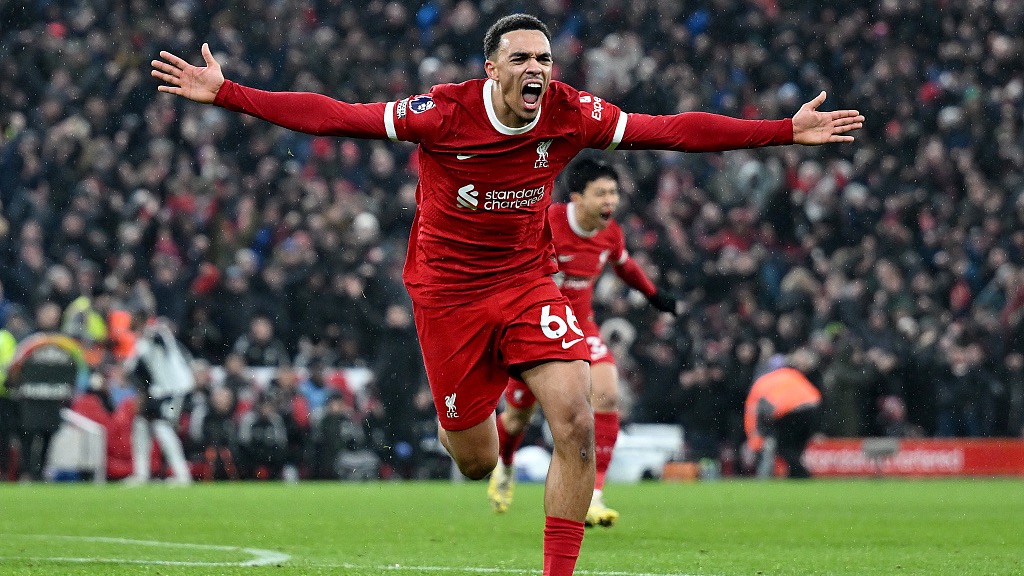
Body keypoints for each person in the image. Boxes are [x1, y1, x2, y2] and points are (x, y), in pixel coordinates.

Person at [152, 13, 862, 574]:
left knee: (577, 417)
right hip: (447, 297)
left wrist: (782, 131)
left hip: (526, 283)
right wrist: (229, 93)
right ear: (490, 69)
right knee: (477, 460)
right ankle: (467, 418)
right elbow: (336, 115)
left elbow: (672, 130)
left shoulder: (570, 113)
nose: (536, 70)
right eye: (521, 59)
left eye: (544, 59)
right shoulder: (442, 113)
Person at [487, 158, 680, 527]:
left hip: (581, 328)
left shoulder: (611, 234)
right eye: (601, 193)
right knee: (515, 419)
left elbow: (624, 265)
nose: (611, 200)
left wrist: (655, 296)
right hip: (535, 327)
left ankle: (594, 495)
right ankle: (506, 466)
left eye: (614, 192)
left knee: (607, 394)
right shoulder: (547, 223)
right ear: (576, 197)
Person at [123, 313, 195, 485]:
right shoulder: (141, 345)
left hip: (176, 390)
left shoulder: (158, 333)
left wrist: (148, 329)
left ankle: (182, 475)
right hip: (158, 393)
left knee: (163, 426)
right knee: (140, 425)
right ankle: (141, 474)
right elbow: (131, 371)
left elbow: (161, 338)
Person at [744, 353, 823, 479]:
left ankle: (802, 473)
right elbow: (815, 397)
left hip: (792, 412)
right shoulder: (792, 375)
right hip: (812, 410)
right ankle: (795, 475)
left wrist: (754, 442)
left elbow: (753, 414)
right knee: (796, 448)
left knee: (783, 447)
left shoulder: (763, 382)